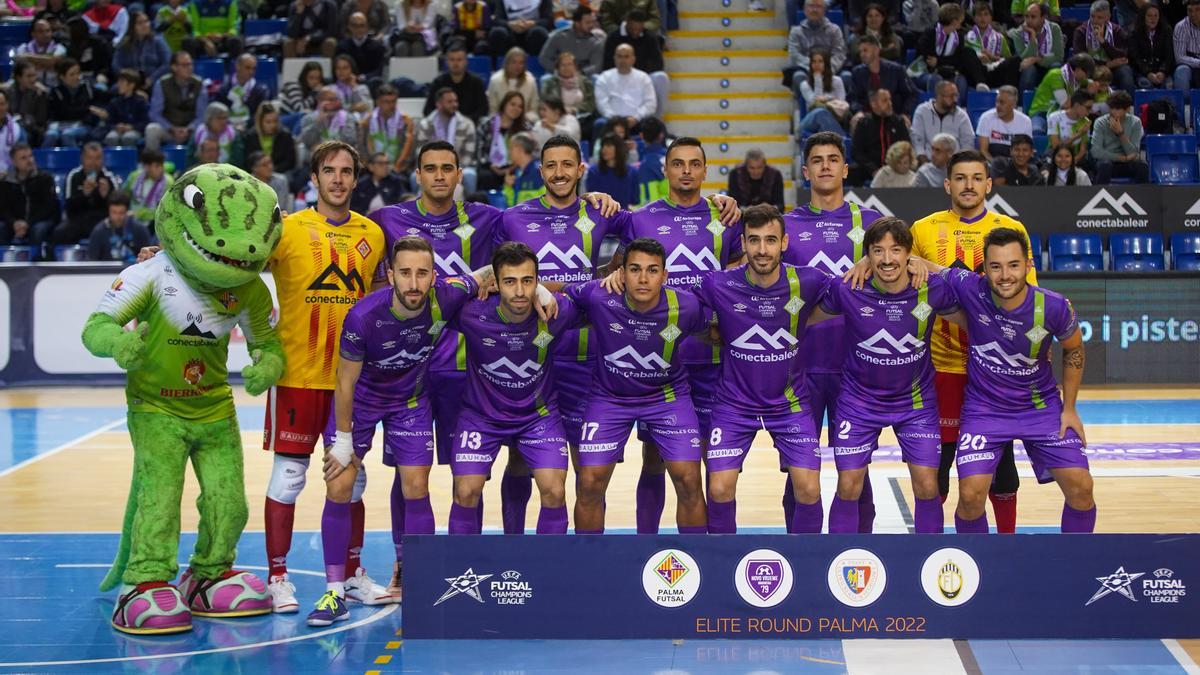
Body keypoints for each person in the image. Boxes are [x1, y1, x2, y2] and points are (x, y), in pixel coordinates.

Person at [309, 235, 483, 625]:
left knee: (416, 487)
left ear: (434, 275)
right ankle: (334, 592)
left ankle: (415, 578)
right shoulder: (363, 317)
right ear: (390, 275)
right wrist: (343, 441)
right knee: (340, 484)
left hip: (410, 403)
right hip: (362, 403)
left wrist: (538, 287)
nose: (413, 283)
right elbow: (345, 384)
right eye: (404, 273)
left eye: (422, 274)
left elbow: (486, 275)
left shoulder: (447, 296)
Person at [258, 141, 391, 613]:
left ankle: (353, 574)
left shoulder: (373, 234)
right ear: (313, 178)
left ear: (357, 178)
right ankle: (277, 577)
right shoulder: (286, 229)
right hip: (297, 376)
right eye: (329, 171)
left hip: (352, 382)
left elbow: (381, 297)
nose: (338, 179)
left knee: (350, 483)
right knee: (288, 479)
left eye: (346, 171)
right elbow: (238, 268)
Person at [602, 137, 741, 535]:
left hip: (714, 359)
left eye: (694, 164)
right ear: (665, 170)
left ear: (704, 170)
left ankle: (714, 552)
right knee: (654, 458)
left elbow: (735, 278)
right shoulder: (640, 219)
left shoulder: (726, 219)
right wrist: (594, 193)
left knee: (715, 464)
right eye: (677, 164)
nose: (685, 171)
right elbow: (612, 253)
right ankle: (648, 541)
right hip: (658, 363)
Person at [902, 149, 1037, 533]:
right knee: (940, 462)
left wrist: (946, 274)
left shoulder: (1011, 230)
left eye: (977, 178)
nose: (969, 185)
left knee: (1001, 462)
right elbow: (901, 280)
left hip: (996, 368)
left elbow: (1027, 297)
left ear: (989, 184)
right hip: (940, 366)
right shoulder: (923, 229)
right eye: (960, 178)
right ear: (947, 184)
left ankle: (1005, 542)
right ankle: (932, 547)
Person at [933, 229, 1094, 534]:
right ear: (986, 268)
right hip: (984, 411)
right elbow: (926, 266)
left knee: (1082, 488)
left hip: (1040, 409)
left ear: (1028, 265)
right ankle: (975, 570)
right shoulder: (971, 287)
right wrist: (878, 263)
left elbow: (1074, 349)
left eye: (1013, 265)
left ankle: (1074, 566)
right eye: (995, 266)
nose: (1004, 275)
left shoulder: (1055, 306)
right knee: (969, 496)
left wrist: (1070, 408)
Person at [554, 238, 710, 536]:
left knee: (689, 479)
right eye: (635, 269)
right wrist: (511, 287)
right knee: (589, 482)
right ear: (621, 273)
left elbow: (716, 330)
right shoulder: (599, 295)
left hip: (667, 397)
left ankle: (695, 559)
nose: (642, 278)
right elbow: (558, 290)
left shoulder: (686, 305)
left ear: (665, 276)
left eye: (652, 271)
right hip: (610, 397)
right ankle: (587, 566)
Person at [695, 204, 832, 534]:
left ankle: (806, 564)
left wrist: (873, 262)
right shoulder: (717, 283)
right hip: (733, 404)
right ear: (742, 243)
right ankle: (723, 565)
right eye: (754, 240)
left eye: (770, 241)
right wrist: (713, 331)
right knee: (718, 488)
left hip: (790, 403)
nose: (762, 249)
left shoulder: (809, 281)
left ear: (784, 243)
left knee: (810, 489)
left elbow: (854, 288)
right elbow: (676, 305)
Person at [820, 218, 960, 534]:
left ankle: (929, 559)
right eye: (877, 251)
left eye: (896, 250)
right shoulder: (849, 288)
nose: (887, 259)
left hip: (915, 402)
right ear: (866, 255)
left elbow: (975, 320)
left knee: (927, 484)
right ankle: (838, 557)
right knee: (848, 484)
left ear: (909, 254)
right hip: (859, 401)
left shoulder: (931, 288)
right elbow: (803, 316)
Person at [782, 131, 884, 533]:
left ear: (845, 168)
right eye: (817, 160)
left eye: (833, 159)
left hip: (857, 366)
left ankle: (859, 561)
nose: (825, 166)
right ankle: (799, 558)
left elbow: (907, 270)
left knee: (856, 471)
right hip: (798, 367)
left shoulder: (874, 225)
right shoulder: (784, 226)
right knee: (799, 474)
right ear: (806, 171)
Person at [445, 241, 572, 535]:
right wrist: (481, 274)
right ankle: (464, 570)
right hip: (481, 416)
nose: (519, 291)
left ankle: (545, 572)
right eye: (510, 282)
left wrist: (548, 290)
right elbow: (436, 290)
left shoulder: (556, 310)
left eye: (528, 281)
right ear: (496, 283)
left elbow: (595, 294)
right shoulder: (472, 312)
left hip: (538, 416)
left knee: (554, 490)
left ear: (537, 282)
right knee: (466, 491)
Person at [601, 10, 669, 118]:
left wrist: (639, 76)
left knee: (661, 77)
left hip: (643, 77)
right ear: (627, 23)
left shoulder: (650, 37)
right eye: (633, 29)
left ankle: (656, 120)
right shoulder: (614, 37)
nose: (636, 32)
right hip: (618, 76)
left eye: (639, 29)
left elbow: (657, 63)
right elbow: (607, 63)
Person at [915, 3, 990, 94]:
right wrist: (946, 61)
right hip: (925, 71)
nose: (962, 23)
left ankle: (961, 105)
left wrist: (939, 61)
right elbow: (930, 61)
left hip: (948, 70)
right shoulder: (930, 33)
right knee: (936, 80)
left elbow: (957, 61)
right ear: (954, 21)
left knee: (961, 80)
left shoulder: (958, 36)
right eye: (960, 20)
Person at [57, 142, 120, 249]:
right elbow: (69, 209)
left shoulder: (109, 178)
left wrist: (106, 196)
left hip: (102, 221)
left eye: (98, 158)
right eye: (90, 158)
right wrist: (84, 194)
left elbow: (118, 208)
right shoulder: (74, 176)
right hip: (78, 220)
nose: (93, 163)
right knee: (60, 232)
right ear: (82, 159)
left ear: (103, 160)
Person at [415, 88, 479, 193]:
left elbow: (469, 154)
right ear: (438, 104)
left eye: (455, 101)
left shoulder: (467, 124)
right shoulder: (425, 125)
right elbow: (419, 153)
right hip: (431, 166)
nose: (454, 104)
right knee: (415, 177)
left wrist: (452, 170)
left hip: (459, 166)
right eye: (450, 102)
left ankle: (469, 208)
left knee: (470, 175)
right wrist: (432, 168)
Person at [0, 143, 59, 250]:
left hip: (39, 220)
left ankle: (35, 264)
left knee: (37, 230)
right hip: (16, 223)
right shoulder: (6, 182)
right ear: (14, 162)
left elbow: (49, 207)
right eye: (23, 158)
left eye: (30, 156)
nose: (29, 160)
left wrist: (27, 223)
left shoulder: (45, 178)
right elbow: (3, 209)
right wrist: (14, 223)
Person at [147, 51, 208, 152]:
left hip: (191, 131)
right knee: (152, 129)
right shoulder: (162, 84)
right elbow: (155, 114)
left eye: (190, 64)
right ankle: (153, 163)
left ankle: (200, 165)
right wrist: (171, 128)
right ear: (174, 67)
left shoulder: (199, 84)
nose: (190, 68)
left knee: (204, 130)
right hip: (169, 130)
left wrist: (189, 129)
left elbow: (202, 115)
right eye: (185, 65)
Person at [1073, 0, 1136, 93]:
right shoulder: (1081, 31)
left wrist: (1103, 42)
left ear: (1108, 17)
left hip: (1114, 69)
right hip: (1091, 69)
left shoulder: (1117, 30)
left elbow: (1123, 55)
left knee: (1125, 71)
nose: (1095, 21)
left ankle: (1129, 105)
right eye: (1092, 16)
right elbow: (1081, 59)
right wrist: (1107, 64)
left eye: (1099, 18)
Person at [851, 88, 911, 184]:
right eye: (885, 100)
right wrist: (873, 170)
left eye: (890, 99)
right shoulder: (864, 124)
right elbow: (856, 152)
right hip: (869, 171)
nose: (890, 103)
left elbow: (906, 147)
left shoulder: (898, 122)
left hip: (896, 169)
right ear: (873, 104)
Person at [849, 35, 916, 117]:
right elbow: (852, 98)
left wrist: (905, 114)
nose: (862, 54)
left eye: (865, 50)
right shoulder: (857, 72)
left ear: (876, 50)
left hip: (894, 116)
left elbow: (911, 94)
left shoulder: (896, 70)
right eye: (860, 52)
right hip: (867, 117)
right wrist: (859, 112)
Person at [1088, 91, 1147, 184]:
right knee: (1105, 165)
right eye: (1111, 108)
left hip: (1127, 163)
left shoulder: (1135, 122)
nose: (1113, 112)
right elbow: (1096, 151)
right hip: (1107, 161)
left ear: (1127, 109)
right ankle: (1099, 196)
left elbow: (1134, 152)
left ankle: (1142, 197)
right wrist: (1120, 158)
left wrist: (1120, 133)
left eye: (1117, 109)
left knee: (1142, 166)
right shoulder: (1100, 122)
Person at [476, 90, 530, 192]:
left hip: (515, 166)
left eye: (520, 106)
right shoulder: (486, 124)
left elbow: (528, 153)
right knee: (485, 176)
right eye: (513, 104)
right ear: (504, 104)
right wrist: (493, 167)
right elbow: (480, 152)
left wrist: (511, 168)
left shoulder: (525, 128)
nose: (516, 109)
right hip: (490, 166)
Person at [910, 80, 975, 164]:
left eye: (956, 95)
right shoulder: (922, 111)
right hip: (928, 161)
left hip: (954, 164)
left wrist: (958, 166)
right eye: (951, 96)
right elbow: (917, 142)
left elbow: (967, 144)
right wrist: (926, 166)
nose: (955, 100)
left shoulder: (961, 115)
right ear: (939, 96)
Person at [424, 42, 489, 123]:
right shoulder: (438, 82)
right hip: (442, 127)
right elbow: (428, 110)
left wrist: (463, 122)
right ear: (447, 62)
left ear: (466, 61)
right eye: (452, 60)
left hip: (470, 127)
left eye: (459, 60)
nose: (455, 63)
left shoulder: (476, 82)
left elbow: (483, 110)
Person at [594, 44, 657, 128]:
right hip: (612, 120)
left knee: (656, 126)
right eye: (619, 56)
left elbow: (650, 103)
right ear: (615, 58)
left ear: (633, 59)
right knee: (599, 124)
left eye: (626, 57)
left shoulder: (643, 78)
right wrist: (616, 120)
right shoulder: (604, 78)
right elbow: (602, 104)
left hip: (638, 120)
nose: (622, 60)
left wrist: (636, 118)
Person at [1030, 54, 1095, 134]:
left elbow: (1092, 84)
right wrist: (1088, 92)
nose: (1086, 77)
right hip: (1041, 112)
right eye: (1087, 74)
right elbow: (1065, 104)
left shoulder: (1080, 80)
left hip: (1062, 115)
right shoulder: (1055, 75)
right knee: (1037, 131)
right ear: (1078, 69)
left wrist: (1093, 88)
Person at [1010, 2, 1065, 92]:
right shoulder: (1018, 33)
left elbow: (1059, 57)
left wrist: (1037, 59)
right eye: (1027, 16)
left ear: (1043, 18)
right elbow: (1024, 58)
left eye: (1033, 17)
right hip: (1029, 66)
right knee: (1028, 70)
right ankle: (1024, 104)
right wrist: (1032, 37)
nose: (1029, 20)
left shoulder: (1054, 29)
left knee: (1056, 66)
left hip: (1048, 64)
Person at [788, 0, 848, 80]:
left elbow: (839, 54)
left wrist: (827, 69)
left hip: (831, 69)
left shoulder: (835, 30)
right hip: (806, 70)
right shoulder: (796, 32)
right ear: (805, 9)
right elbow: (795, 56)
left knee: (847, 76)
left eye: (818, 6)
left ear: (824, 10)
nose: (814, 10)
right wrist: (814, 67)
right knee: (798, 76)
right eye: (811, 6)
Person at [363, 84, 415, 174]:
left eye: (394, 101)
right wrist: (371, 167)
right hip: (372, 169)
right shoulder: (367, 121)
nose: (392, 105)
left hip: (398, 169)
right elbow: (362, 147)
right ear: (378, 102)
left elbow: (410, 151)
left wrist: (397, 167)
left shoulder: (406, 121)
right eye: (387, 102)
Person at [796, 48, 850, 136]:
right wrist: (817, 79)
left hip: (834, 120)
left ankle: (837, 143)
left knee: (825, 122)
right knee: (820, 112)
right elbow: (814, 103)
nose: (817, 65)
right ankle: (842, 143)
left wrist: (826, 99)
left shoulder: (837, 81)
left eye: (820, 61)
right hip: (810, 120)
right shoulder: (805, 84)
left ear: (826, 63)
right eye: (814, 61)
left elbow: (841, 104)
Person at [235, 102, 298, 176]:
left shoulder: (285, 135)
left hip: (280, 173)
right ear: (260, 122)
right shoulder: (251, 136)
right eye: (268, 122)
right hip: (257, 174)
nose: (273, 125)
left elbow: (290, 161)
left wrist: (272, 170)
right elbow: (248, 161)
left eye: (275, 121)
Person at [539, 6, 604, 77]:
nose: (591, 25)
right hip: (557, 74)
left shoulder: (596, 42)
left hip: (582, 77)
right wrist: (560, 70)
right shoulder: (559, 36)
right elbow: (544, 58)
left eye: (593, 22)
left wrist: (580, 73)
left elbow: (596, 66)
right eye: (588, 23)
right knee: (546, 78)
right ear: (577, 23)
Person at [87, 191, 152, 263]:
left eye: (121, 213)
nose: (117, 217)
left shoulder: (140, 230)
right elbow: (92, 262)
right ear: (109, 211)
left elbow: (149, 260)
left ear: (127, 211)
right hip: (107, 273)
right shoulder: (99, 232)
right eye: (114, 212)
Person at [46, 58, 96, 148]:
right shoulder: (56, 92)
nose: (76, 77)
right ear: (62, 77)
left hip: (82, 125)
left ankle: (75, 162)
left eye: (78, 73)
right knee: (51, 135)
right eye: (72, 74)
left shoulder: (86, 88)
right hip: (59, 125)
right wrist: (88, 109)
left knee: (67, 135)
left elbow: (106, 95)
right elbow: (65, 112)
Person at [113, 11, 171, 85]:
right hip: (129, 83)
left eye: (146, 21)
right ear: (132, 26)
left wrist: (151, 79)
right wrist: (128, 78)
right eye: (140, 23)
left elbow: (167, 63)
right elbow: (116, 65)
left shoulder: (158, 41)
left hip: (154, 82)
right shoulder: (124, 44)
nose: (145, 25)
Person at [215, 54, 270, 131]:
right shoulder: (223, 90)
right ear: (237, 66)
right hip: (226, 129)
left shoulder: (261, 91)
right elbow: (217, 113)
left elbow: (261, 114)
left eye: (254, 69)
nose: (251, 72)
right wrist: (230, 126)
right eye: (247, 68)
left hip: (252, 130)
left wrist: (246, 125)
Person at [95, 68, 148, 147]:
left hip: (134, 130)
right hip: (117, 130)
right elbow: (109, 121)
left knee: (128, 137)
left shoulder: (140, 101)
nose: (118, 85)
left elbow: (145, 121)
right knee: (111, 138)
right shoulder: (115, 102)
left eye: (122, 82)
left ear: (131, 85)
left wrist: (132, 127)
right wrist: (116, 127)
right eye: (118, 82)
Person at [976, 85, 1032, 161]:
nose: (997, 106)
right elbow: (983, 151)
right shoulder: (986, 118)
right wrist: (996, 166)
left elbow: (1026, 150)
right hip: (992, 162)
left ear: (1013, 104)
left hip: (1016, 162)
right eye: (997, 101)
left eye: (1002, 102)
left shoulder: (1025, 121)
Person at [300, 87, 361, 154]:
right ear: (320, 102)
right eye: (330, 99)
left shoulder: (347, 117)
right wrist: (318, 121)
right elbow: (307, 141)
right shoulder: (308, 118)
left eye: (336, 99)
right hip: (316, 158)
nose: (335, 102)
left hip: (341, 155)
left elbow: (350, 140)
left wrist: (325, 148)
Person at [584, 133, 637, 209]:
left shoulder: (632, 172)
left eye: (608, 146)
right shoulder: (593, 172)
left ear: (619, 148)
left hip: (624, 216)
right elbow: (591, 201)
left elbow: (634, 201)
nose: (604, 149)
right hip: (601, 216)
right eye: (603, 146)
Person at [542, 52, 596, 125]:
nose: (566, 68)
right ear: (558, 68)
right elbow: (544, 103)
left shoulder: (585, 82)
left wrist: (574, 110)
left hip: (580, 118)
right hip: (557, 118)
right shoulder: (549, 83)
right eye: (563, 65)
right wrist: (562, 111)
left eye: (570, 64)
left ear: (575, 67)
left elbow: (590, 104)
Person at [1047, 89, 1095, 169]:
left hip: (1075, 157)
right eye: (1088, 107)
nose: (1090, 111)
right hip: (1055, 155)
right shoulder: (1054, 117)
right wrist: (1078, 135)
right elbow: (1056, 147)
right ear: (1076, 106)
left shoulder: (1086, 122)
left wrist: (1073, 161)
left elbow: (1082, 151)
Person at [488, 0, 553, 59]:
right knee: (497, 32)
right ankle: (500, 66)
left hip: (532, 29)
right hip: (511, 30)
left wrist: (533, 23)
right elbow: (497, 20)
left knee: (539, 33)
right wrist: (510, 24)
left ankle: (535, 67)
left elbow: (548, 20)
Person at [1129, 3, 1174, 88]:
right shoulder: (1134, 32)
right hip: (1142, 72)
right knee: (1146, 85)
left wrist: (1162, 72)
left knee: (1168, 86)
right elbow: (1135, 58)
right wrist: (1148, 73)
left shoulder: (1166, 31)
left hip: (1163, 72)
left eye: (1156, 16)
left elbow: (1169, 56)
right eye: (1149, 16)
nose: (1153, 19)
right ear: (1143, 17)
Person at [5, 62, 49, 147]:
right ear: (19, 78)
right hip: (10, 127)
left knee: (21, 133)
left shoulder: (39, 93)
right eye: (29, 76)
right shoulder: (8, 92)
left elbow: (41, 120)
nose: (33, 79)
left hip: (32, 130)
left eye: (34, 75)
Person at [125, 148, 173, 225]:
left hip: (155, 224)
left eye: (161, 165)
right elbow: (124, 197)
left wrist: (139, 214)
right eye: (157, 166)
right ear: (147, 167)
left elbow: (166, 211)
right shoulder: (134, 177)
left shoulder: (168, 182)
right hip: (131, 221)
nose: (161, 169)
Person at [488, 47, 540, 115]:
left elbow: (534, 109)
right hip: (500, 121)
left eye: (521, 63)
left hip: (524, 121)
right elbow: (492, 109)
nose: (517, 66)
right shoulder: (495, 80)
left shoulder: (530, 81)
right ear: (507, 63)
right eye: (514, 62)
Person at [336, 12, 388, 81]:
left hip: (369, 82)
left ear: (367, 27)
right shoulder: (341, 47)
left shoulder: (377, 47)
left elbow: (379, 70)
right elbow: (337, 69)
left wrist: (363, 77)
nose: (359, 29)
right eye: (355, 25)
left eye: (362, 25)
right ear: (349, 27)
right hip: (346, 82)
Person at [15, 19, 66, 88]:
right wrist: (46, 65)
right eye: (41, 31)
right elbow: (19, 61)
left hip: (53, 89)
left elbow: (51, 61)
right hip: (30, 88)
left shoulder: (59, 48)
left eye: (48, 31)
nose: (46, 34)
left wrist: (27, 58)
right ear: (33, 34)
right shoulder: (24, 47)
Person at [502, 132, 544, 206]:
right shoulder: (516, 173)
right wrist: (508, 186)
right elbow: (511, 205)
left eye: (511, 148)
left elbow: (550, 204)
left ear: (519, 148)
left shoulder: (540, 171)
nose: (509, 152)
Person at [635, 116, 668, 206]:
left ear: (641, 135)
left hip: (655, 212)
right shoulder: (673, 156)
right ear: (661, 135)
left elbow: (647, 198)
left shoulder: (645, 164)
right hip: (677, 210)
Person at [1173, 0, 1200, 90]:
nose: (1193, 14)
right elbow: (1180, 57)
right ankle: (1185, 103)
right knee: (1181, 72)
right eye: (1190, 10)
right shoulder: (1181, 27)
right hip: (1189, 63)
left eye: (1197, 10)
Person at [598, 0, 662, 34]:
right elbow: (606, 22)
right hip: (618, 34)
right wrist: (622, 31)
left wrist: (639, 28)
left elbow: (655, 20)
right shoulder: (608, 1)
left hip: (643, 33)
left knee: (656, 35)